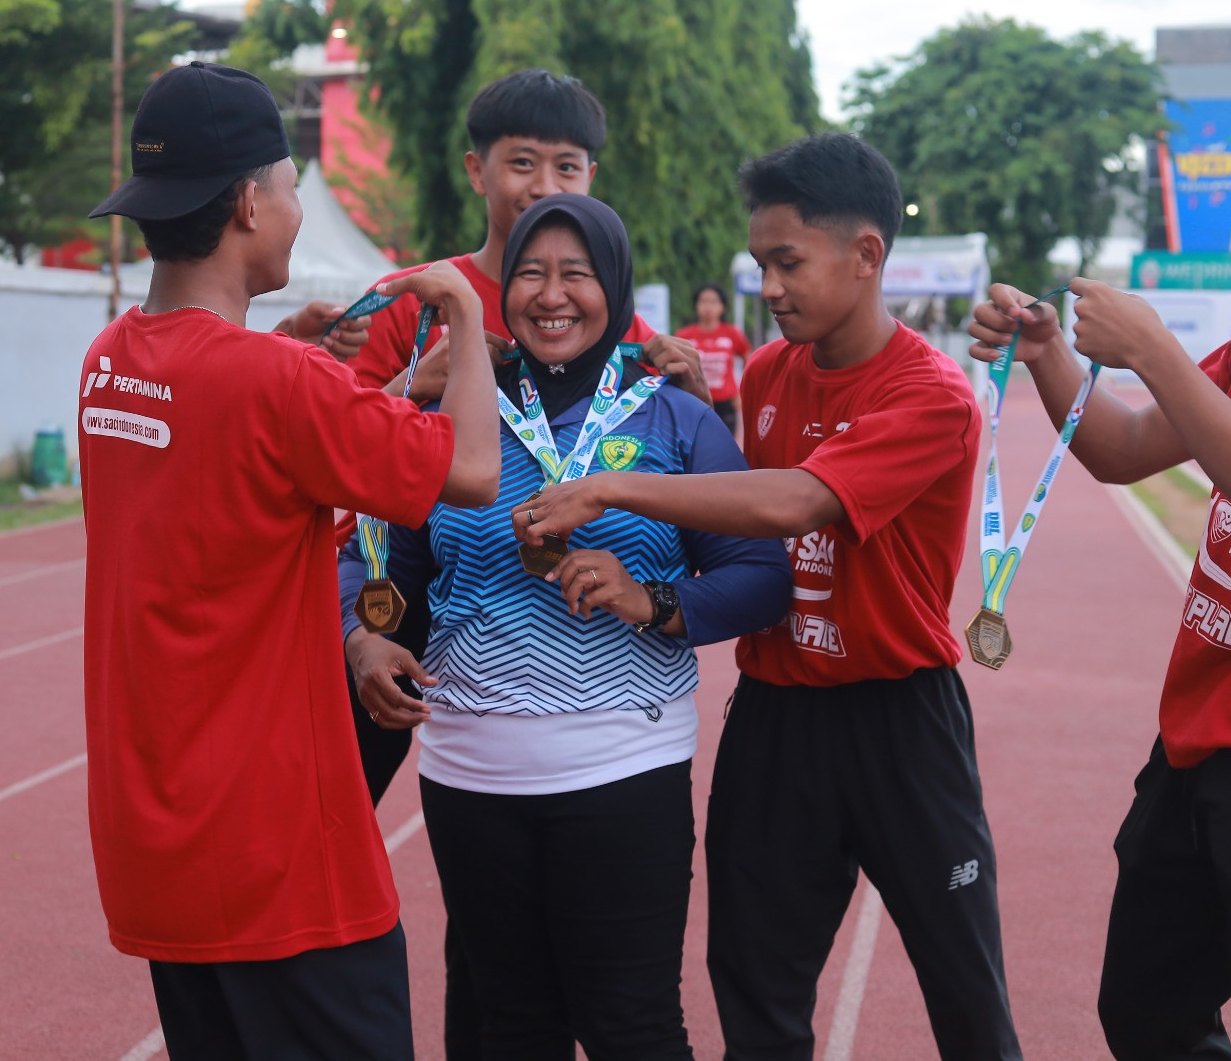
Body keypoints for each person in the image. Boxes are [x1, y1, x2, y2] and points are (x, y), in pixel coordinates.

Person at [514, 134, 1024, 1060]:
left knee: (965, 988)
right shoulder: (770, 373)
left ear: (866, 254)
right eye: (761, 265)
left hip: (900, 721)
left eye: (788, 263)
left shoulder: (932, 395)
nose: (770, 287)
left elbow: (797, 500)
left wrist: (608, 488)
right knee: (752, 981)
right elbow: (741, 521)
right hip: (779, 717)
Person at [76, 62, 500, 1061]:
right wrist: (469, 318)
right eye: (292, 185)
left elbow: (228, 443)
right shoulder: (284, 383)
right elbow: (474, 470)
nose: (299, 208)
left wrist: (301, 351)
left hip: (157, 837)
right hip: (277, 855)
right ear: (248, 203)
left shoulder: (108, 360)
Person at [340, 192, 791, 1060]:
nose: (552, 296)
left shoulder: (674, 416)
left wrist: (654, 600)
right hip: (470, 777)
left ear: (614, 289)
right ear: (504, 289)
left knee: (633, 1029)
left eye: (576, 275)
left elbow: (762, 577)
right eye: (532, 275)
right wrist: (360, 633)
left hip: (623, 770)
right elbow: (371, 548)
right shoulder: (454, 412)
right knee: (510, 1029)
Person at [967, 98, 1231, 1061]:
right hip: (1197, 741)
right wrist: (1052, 350)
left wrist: (1152, 348)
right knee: (1144, 1013)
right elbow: (1129, 445)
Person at [676, 282, 753, 433]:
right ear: (696, 305)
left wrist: (742, 393)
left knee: (726, 448)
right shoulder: (684, 336)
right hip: (694, 401)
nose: (708, 307)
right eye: (703, 301)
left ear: (722, 306)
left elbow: (750, 361)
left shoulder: (732, 333)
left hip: (726, 403)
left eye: (713, 301)